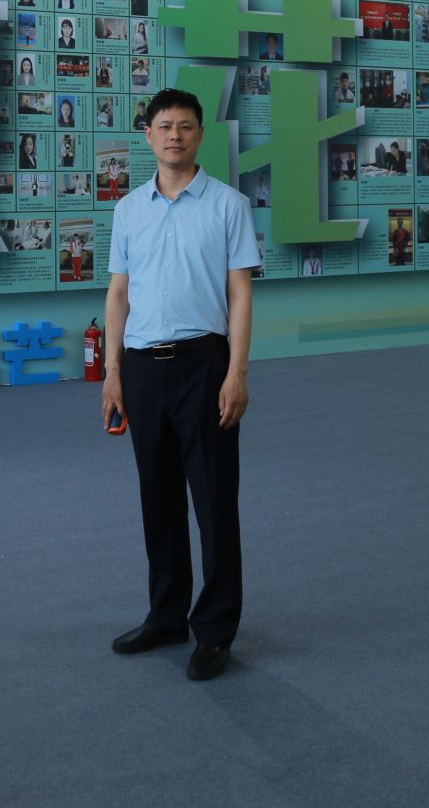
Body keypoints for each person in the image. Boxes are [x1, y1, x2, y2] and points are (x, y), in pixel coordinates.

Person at [101, 87, 259, 683]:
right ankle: (166, 615)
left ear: (200, 135)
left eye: (186, 126)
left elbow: (240, 292)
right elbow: (119, 292)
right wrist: (113, 372)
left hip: (204, 365)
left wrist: (236, 372)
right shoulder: (127, 210)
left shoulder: (228, 206)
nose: (175, 135)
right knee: (158, 498)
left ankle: (215, 629)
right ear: (148, 135)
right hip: (142, 367)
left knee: (214, 502)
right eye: (164, 125)